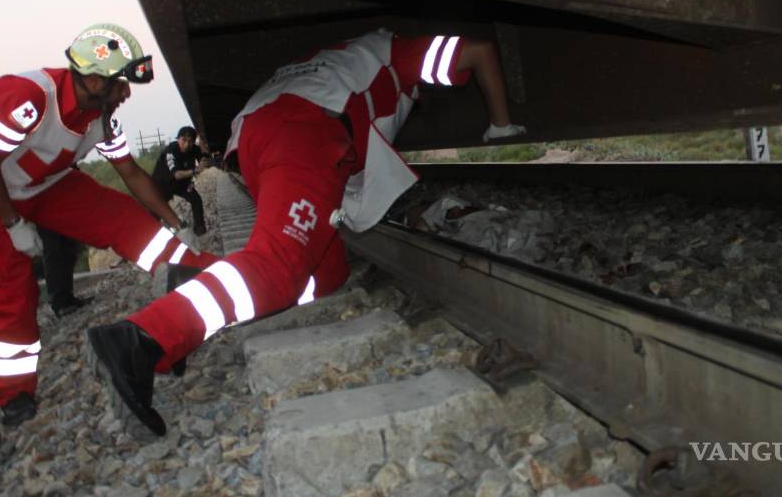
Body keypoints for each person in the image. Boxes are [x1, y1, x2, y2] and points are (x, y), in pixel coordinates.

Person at [88, 29, 527, 435]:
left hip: (260, 134)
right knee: (279, 269)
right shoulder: (396, 53)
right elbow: (477, 50)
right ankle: (143, 338)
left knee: (329, 268)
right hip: (306, 132)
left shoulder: (335, 58)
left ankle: (198, 279)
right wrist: (502, 127)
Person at [0, 23, 217, 426]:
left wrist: (175, 224)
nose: (127, 94)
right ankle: (15, 397)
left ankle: (197, 271)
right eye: (122, 84)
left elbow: (132, 174)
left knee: (121, 218)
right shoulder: (29, 94)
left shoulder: (99, 117)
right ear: (96, 79)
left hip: (45, 183)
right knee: (13, 296)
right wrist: (13, 224)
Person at [151, 126, 209, 235]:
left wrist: (203, 146)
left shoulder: (194, 149)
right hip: (163, 184)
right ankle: (151, 232)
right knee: (157, 210)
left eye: (190, 141)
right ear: (178, 139)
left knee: (196, 199)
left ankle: (200, 230)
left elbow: (205, 160)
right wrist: (196, 170)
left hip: (183, 183)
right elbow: (177, 175)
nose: (187, 145)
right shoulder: (170, 151)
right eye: (184, 140)